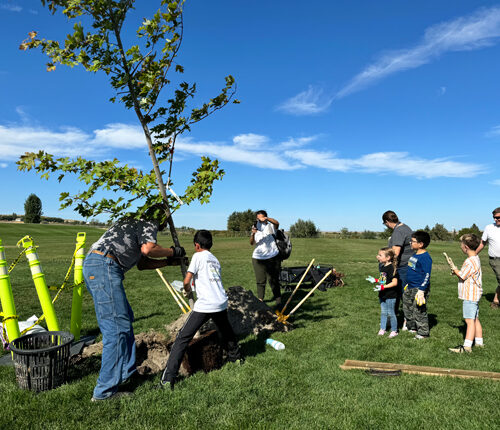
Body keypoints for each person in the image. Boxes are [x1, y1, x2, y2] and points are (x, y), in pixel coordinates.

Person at [83, 204, 186, 402]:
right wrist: (173, 251)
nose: (164, 224)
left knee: (124, 322)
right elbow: (148, 249)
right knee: (116, 330)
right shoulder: (148, 222)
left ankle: (126, 373)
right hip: (105, 265)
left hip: (99, 264)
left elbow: (142, 263)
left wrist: (167, 261)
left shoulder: (131, 223)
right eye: (165, 219)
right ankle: (104, 392)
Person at [159, 230, 243, 390]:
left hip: (206, 304)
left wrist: (186, 289)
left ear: (196, 245)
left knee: (182, 338)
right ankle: (237, 358)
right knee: (226, 331)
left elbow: (187, 279)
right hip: (220, 302)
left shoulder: (198, 256)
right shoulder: (215, 259)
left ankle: (167, 380)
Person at [448, 234, 483, 353]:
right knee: (475, 319)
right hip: (475, 294)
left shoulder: (470, 261)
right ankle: (479, 343)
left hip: (470, 295)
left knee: (469, 320)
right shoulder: (476, 258)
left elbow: (462, 275)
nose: (461, 247)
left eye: (461, 245)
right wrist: (456, 271)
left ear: (466, 247)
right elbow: (466, 274)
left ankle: (467, 347)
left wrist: (454, 269)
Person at [403, 230, 432, 339]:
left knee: (419, 311)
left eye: (413, 241)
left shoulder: (425, 257)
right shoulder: (415, 255)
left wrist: (421, 290)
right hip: (410, 286)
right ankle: (413, 327)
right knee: (407, 308)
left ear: (421, 244)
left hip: (419, 289)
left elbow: (427, 275)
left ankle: (423, 333)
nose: (410, 243)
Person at [250, 210, 282, 306]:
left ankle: (279, 302)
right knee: (260, 281)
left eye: (261, 217)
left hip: (272, 256)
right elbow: (252, 243)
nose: (259, 219)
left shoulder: (271, 226)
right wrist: (253, 234)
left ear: (265, 217)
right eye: (258, 218)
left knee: (274, 280)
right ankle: (260, 301)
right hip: (258, 257)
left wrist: (267, 219)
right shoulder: (255, 227)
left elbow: (277, 223)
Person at [476, 206, 500, 309]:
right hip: (495, 260)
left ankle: (495, 301)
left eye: (498, 217)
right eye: (494, 217)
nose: (496, 219)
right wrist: (474, 254)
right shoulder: (489, 228)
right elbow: (482, 243)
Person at [373, 247, 399, 338]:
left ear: (388, 258)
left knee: (391, 313)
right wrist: (375, 280)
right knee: (383, 312)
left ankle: (394, 330)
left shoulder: (392, 268)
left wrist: (383, 287)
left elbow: (394, 283)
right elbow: (383, 280)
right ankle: (382, 328)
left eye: (380, 255)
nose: (378, 257)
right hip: (383, 294)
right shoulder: (383, 267)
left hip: (391, 295)